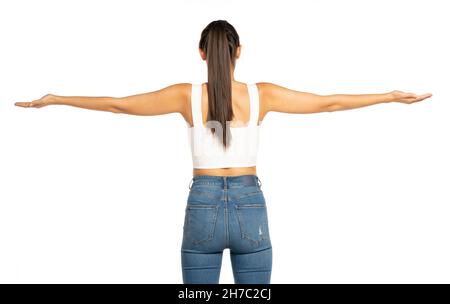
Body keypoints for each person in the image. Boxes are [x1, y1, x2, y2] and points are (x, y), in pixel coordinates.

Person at [14, 19, 432, 284]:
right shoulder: (261, 95)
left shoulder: (184, 96)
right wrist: (389, 96)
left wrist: (56, 98)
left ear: (201, 53)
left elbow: (118, 104)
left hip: (202, 206)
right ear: (238, 52)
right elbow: (328, 102)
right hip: (251, 205)